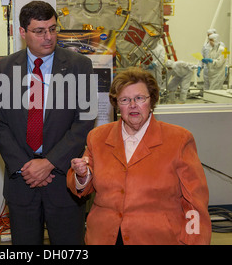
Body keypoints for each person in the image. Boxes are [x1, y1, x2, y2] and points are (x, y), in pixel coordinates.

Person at [0, 0, 96, 245]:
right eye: (39, 31)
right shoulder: (3, 68)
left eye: (53, 29)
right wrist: (27, 167)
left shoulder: (80, 66)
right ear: (23, 33)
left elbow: (85, 120)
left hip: (64, 181)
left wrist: (49, 163)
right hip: (22, 180)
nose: (48, 37)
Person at [67, 67, 211, 245]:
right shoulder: (97, 137)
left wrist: (194, 241)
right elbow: (80, 187)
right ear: (117, 104)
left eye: (140, 98)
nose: (133, 105)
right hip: (104, 237)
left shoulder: (179, 140)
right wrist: (82, 175)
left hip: (157, 238)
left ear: (152, 101)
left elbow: (195, 203)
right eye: (125, 100)